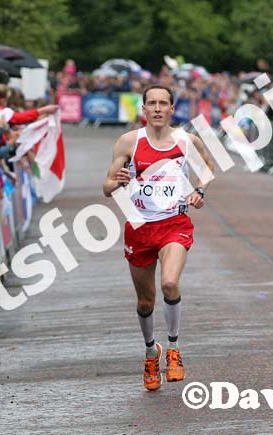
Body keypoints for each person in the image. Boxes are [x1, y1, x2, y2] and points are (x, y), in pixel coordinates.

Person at [102, 85, 214, 392]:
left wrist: (199, 190)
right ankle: (152, 352)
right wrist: (119, 180)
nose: (157, 108)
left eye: (163, 103)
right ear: (144, 109)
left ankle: (174, 349)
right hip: (139, 227)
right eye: (151, 103)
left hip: (174, 224)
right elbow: (106, 185)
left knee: (169, 283)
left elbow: (208, 167)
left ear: (172, 108)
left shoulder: (185, 141)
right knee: (145, 300)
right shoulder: (128, 141)